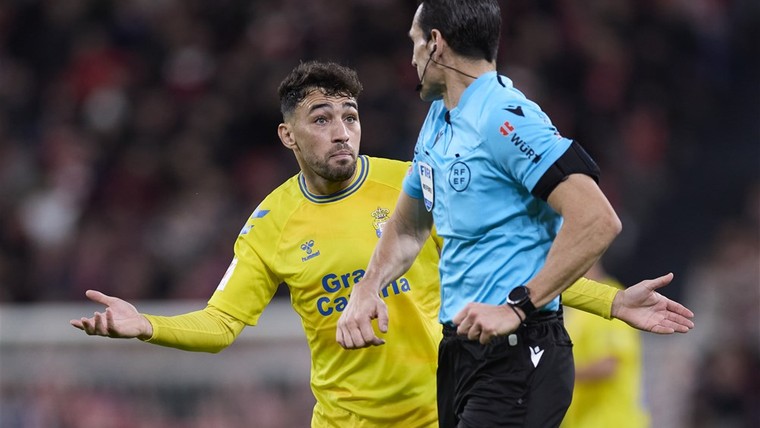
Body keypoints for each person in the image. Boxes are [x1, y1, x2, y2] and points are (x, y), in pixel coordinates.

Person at [71, 61, 693, 428]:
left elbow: (510, 272)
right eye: (321, 119)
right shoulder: (269, 225)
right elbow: (222, 323)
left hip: (439, 411)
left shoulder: (417, 184)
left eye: (349, 116)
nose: (341, 132)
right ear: (287, 135)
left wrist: (610, 303)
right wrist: (146, 325)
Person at [335, 1, 682, 427]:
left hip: (521, 350)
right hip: (462, 352)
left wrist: (517, 306)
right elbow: (409, 227)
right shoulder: (437, 121)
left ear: (436, 44)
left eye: (415, 42)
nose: (411, 57)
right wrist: (368, 287)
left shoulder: (504, 116)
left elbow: (597, 219)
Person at [561, 261, 650, 428]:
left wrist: (557, 374)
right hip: (584, 421)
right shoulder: (582, 306)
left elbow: (609, 366)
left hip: (611, 421)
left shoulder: (613, 301)